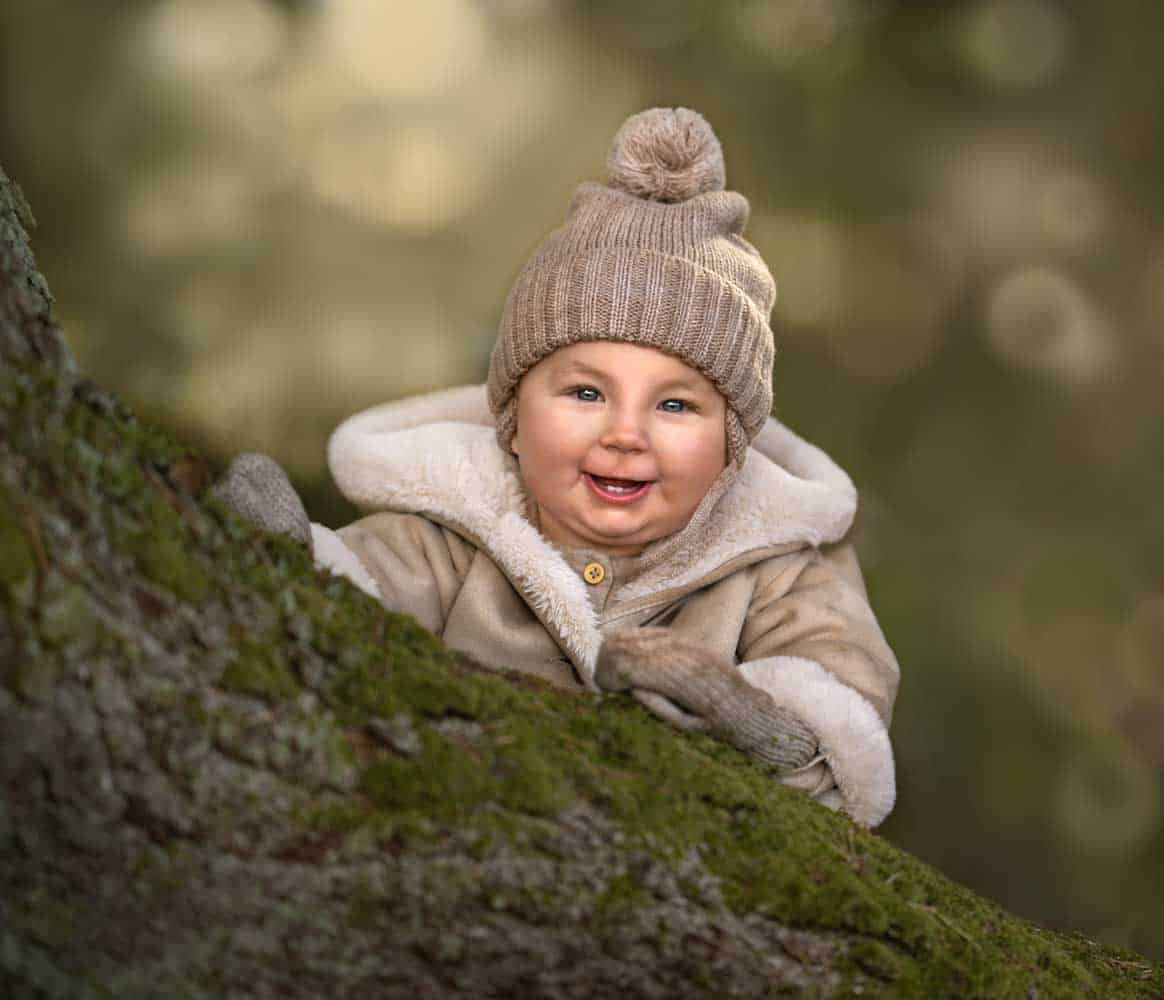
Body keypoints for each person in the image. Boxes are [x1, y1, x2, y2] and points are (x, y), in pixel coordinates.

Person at [216, 108, 899, 827]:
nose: (625, 434)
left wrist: (761, 723)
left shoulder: (780, 565)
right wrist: (292, 564)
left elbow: (841, 688)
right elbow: (355, 604)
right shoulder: (454, 530)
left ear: (732, 448)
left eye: (675, 407)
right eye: (585, 393)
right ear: (512, 420)